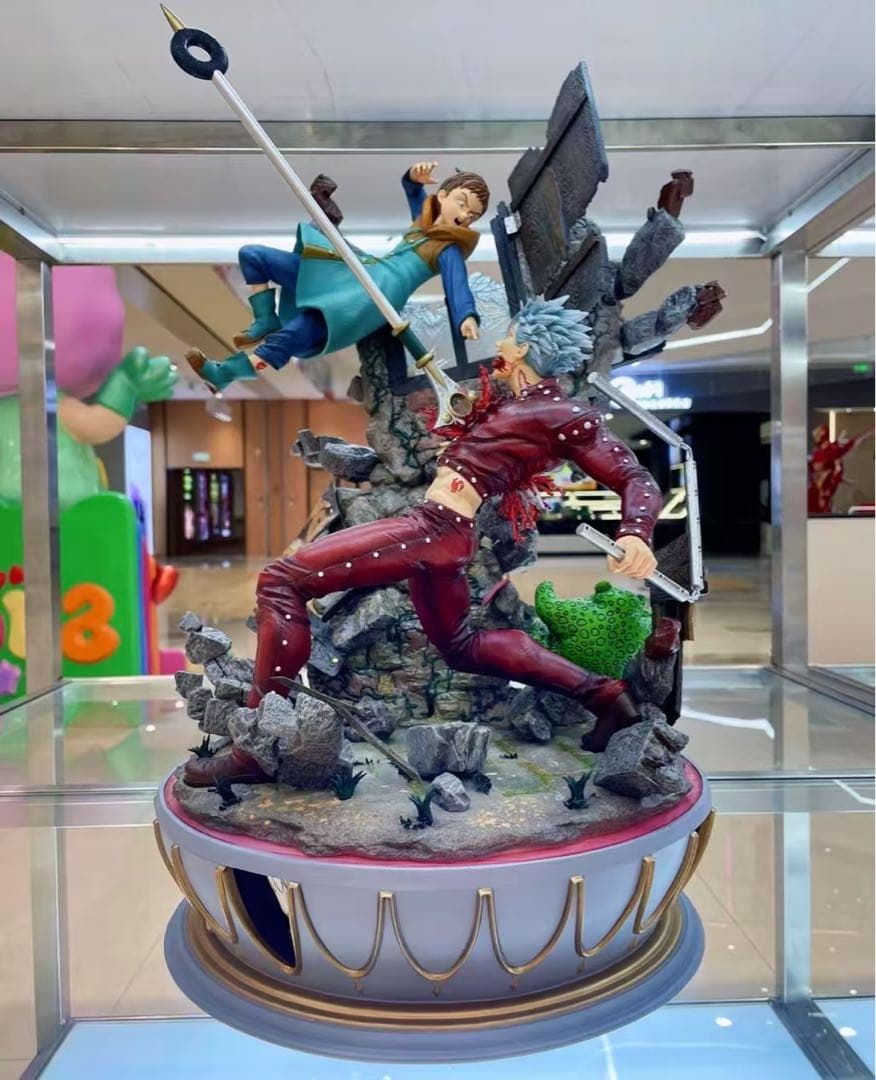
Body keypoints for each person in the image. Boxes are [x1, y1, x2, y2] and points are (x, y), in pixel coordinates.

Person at [186, 297, 660, 786]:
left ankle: (257, 747)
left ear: (523, 347)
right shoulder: (519, 405)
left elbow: (634, 476)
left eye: (508, 336)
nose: (500, 344)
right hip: (444, 532)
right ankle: (607, 697)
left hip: (435, 529)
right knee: (460, 646)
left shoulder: (564, 412)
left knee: (280, 581)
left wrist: (636, 533)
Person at [185, 162, 489, 392]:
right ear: (443, 196)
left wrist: (466, 315)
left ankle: (226, 372)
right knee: (253, 256)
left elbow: (457, 285)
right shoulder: (424, 222)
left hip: (376, 297)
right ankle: (265, 319)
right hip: (362, 272)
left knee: (302, 330)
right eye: (463, 204)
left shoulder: (449, 248)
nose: (465, 216)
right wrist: (413, 176)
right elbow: (412, 190)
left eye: (473, 216)